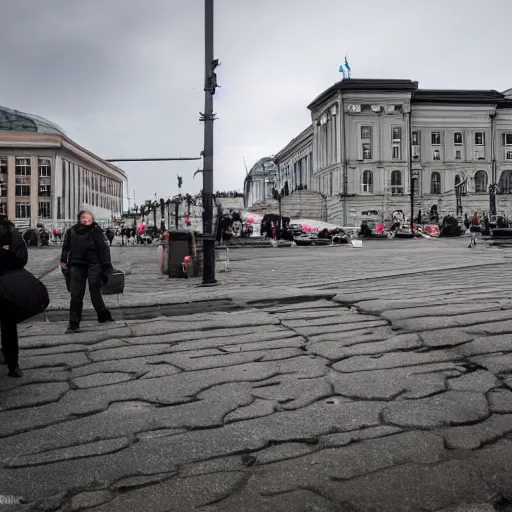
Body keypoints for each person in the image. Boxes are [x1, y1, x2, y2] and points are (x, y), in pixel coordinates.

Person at [60, 210, 113, 332]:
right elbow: (65, 248)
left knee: (94, 290)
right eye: (84, 217)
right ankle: (74, 322)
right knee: (76, 294)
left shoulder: (96, 230)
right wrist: (64, 263)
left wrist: (106, 266)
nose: (86, 220)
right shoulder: (72, 231)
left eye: (89, 218)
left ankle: (102, 315)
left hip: (94, 264)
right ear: (79, 219)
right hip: (76, 265)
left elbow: (103, 249)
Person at [0, 215, 28, 377]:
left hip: (7, 283)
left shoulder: (9, 230)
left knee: (8, 324)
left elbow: (21, 257)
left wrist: (6, 253)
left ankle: (13, 363)